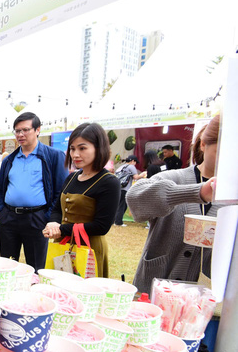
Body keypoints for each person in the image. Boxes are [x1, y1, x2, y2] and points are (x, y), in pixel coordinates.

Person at [126, 114, 222, 293]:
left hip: (206, 303)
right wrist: (197, 192)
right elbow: (135, 199)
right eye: (223, 152)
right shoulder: (176, 178)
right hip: (154, 293)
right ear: (203, 144)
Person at [43, 123, 121, 278]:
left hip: (89, 248)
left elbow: (101, 226)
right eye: (72, 148)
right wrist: (53, 223)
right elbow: (58, 208)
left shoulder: (109, 182)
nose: (75, 154)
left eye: (82, 148)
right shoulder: (71, 177)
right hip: (63, 244)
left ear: (98, 148)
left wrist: (62, 229)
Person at [0, 112, 68, 270]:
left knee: (35, 266)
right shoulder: (9, 159)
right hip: (9, 218)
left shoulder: (54, 156)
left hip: (37, 219)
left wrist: (47, 216)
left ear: (38, 130)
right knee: (6, 265)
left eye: (25, 130)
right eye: (17, 131)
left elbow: (61, 191)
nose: (20, 134)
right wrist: (1, 212)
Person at [114, 155, 141, 226]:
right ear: (132, 161)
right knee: (123, 205)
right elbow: (136, 177)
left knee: (118, 205)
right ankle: (118, 222)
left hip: (117, 187)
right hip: (125, 188)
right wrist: (143, 174)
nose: (135, 164)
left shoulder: (120, 167)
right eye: (135, 162)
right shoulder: (131, 167)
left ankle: (114, 220)